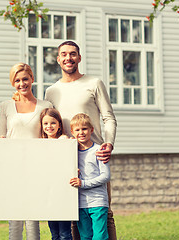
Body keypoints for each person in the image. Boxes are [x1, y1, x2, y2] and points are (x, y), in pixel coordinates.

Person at [44, 40, 117, 240]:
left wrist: (108, 144)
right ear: (58, 59)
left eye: (73, 54)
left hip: (94, 156)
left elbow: (108, 117)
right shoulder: (51, 91)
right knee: (73, 213)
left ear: (79, 57)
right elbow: (49, 122)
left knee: (103, 212)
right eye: (64, 54)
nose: (69, 58)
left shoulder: (94, 83)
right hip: (66, 160)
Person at [0, 63, 53, 240]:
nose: (22, 83)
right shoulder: (6, 106)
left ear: (32, 79)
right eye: (17, 80)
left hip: (36, 167)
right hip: (13, 167)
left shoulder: (46, 105)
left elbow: (50, 135)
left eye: (25, 79)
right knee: (14, 218)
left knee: (32, 217)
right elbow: (1, 138)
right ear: (13, 83)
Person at [69, 113, 110, 240]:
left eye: (84, 129)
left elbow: (106, 176)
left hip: (97, 201)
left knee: (99, 237)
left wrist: (83, 183)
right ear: (72, 132)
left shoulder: (99, 150)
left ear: (91, 130)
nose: (81, 132)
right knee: (85, 236)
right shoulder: (71, 152)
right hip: (80, 203)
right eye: (77, 130)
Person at [39, 108, 72, 240]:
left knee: (64, 233)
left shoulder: (63, 140)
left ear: (59, 124)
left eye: (53, 123)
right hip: (48, 192)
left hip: (62, 191)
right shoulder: (41, 144)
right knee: (55, 234)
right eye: (45, 123)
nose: (49, 126)